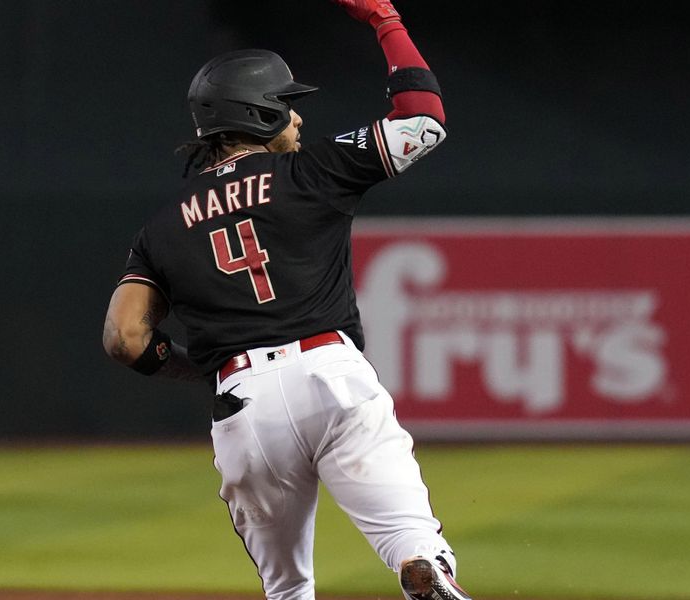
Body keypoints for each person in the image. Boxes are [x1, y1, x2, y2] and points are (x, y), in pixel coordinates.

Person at [102, 1, 470, 599]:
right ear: (261, 111)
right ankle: (420, 565)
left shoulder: (162, 228)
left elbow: (124, 337)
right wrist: (386, 22)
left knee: (287, 588)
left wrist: (196, 366)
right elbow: (423, 118)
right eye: (287, 103)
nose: (297, 117)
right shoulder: (313, 170)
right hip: (332, 375)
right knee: (412, 538)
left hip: (242, 403)